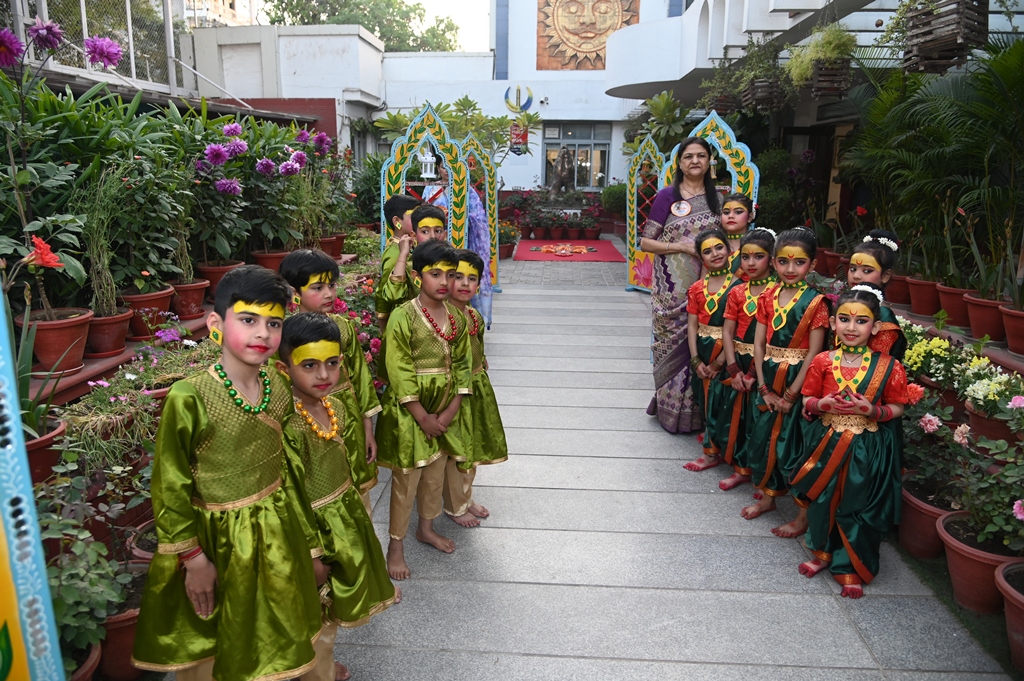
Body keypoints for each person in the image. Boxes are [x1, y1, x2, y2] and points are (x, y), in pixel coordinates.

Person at [132, 265, 323, 681]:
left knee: (275, 631)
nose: (263, 334)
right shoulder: (190, 396)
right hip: (216, 542)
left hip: (276, 531)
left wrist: (307, 541)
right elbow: (169, 483)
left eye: (274, 323)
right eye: (249, 320)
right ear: (216, 324)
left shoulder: (277, 385)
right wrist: (193, 559)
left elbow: (287, 466)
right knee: (217, 642)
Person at [277, 313, 399, 681]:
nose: (324, 375)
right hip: (312, 529)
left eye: (332, 363)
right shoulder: (289, 424)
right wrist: (312, 552)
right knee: (312, 612)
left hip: (341, 517)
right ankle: (314, 672)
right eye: (309, 365)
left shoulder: (338, 407)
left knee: (330, 607)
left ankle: (322, 665)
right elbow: (290, 493)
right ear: (284, 368)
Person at [791, 285, 909, 598]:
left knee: (857, 506)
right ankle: (821, 554)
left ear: (875, 327)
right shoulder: (822, 361)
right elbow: (806, 400)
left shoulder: (889, 366)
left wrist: (873, 411)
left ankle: (850, 566)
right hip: (826, 443)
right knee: (823, 501)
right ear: (832, 323)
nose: (851, 327)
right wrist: (821, 404)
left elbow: (898, 406)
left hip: (866, 449)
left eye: (861, 321)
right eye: (844, 319)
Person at [375, 239, 472, 580]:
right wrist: (421, 416)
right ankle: (395, 544)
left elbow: (463, 365)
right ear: (417, 277)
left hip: (444, 410)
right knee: (407, 480)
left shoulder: (457, 318)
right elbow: (398, 368)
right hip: (410, 413)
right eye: (435, 274)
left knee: (434, 476)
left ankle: (426, 528)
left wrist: (449, 412)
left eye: (450, 274)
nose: (445, 282)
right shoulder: (403, 316)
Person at [741, 227, 830, 538]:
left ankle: (802, 516)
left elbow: (815, 354)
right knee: (762, 439)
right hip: (768, 377)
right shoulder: (767, 296)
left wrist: (792, 395)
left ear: (812, 265)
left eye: (799, 262)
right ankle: (768, 498)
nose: (790, 269)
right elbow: (759, 344)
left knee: (795, 446)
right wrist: (763, 387)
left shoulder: (816, 303)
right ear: (774, 261)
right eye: (783, 261)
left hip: (799, 380)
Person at [280, 249, 382, 513]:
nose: (329, 294)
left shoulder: (343, 327)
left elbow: (361, 379)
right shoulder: (286, 338)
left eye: (332, 285)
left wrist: (367, 429)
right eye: (318, 287)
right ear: (295, 292)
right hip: (307, 424)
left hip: (349, 418)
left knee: (358, 487)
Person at [640, 136, 722, 434]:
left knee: (703, 344)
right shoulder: (667, 196)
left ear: (709, 162)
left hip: (709, 285)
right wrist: (682, 247)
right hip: (671, 289)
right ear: (679, 163)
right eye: (689, 156)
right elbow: (646, 242)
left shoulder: (718, 199)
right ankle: (669, 410)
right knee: (671, 346)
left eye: (701, 155)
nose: (695, 161)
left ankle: (698, 414)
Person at [442, 249, 508, 528]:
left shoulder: (474, 316)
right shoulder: (442, 317)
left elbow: (478, 345)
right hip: (454, 392)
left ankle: (465, 497)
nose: (465, 284)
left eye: (472, 278)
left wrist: (483, 363)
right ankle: (455, 506)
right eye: (458, 277)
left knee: (472, 447)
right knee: (457, 451)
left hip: (476, 386)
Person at [718, 227, 777, 491]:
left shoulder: (778, 293)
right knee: (735, 416)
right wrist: (733, 370)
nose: (751, 263)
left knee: (758, 420)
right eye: (745, 257)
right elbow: (727, 332)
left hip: (764, 366)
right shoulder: (737, 292)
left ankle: (760, 473)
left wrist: (753, 373)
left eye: (758, 257)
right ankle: (739, 467)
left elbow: (771, 339)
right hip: (737, 362)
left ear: (772, 259)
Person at [684, 227, 743, 472]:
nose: (715, 254)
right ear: (701, 257)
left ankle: (712, 453)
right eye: (708, 251)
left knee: (721, 401)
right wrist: (695, 359)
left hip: (726, 352)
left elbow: (738, 331)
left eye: (719, 248)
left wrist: (719, 362)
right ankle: (714, 447)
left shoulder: (739, 287)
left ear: (729, 250)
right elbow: (692, 325)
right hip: (702, 350)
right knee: (704, 398)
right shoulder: (696, 288)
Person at [376, 203, 446, 385]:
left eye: (438, 231)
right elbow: (391, 295)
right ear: (414, 235)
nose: (433, 236)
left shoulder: (452, 264)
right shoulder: (406, 265)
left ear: (445, 234)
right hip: (411, 337)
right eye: (425, 231)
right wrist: (403, 255)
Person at [426, 150, 495, 325]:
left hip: (463, 242)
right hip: (437, 242)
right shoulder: (431, 188)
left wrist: (460, 217)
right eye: (444, 167)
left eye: (451, 167)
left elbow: (479, 218)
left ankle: (468, 319)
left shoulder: (467, 190)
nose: (447, 171)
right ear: (438, 168)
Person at [846, 229, 906, 359]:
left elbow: (879, 363)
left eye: (867, 271)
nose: (856, 276)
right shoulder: (844, 303)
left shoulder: (883, 315)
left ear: (885, 276)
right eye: (853, 269)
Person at [375, 194, 422, 335]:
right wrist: (384, 329)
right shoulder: (395, 253)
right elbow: (383, 292)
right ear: (397, 221)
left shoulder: (411, 245)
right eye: (414, 217)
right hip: (402, 323)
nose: (420, 221)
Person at [720, 192, 754, 272]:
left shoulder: (758, 244)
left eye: (738, 212)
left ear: (750, 217)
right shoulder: (714, 245)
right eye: (726, 212)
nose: (730, 216)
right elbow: (704, 277)